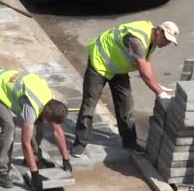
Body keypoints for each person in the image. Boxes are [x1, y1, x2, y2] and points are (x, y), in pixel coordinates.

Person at [71, 21, 179, 157]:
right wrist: (160, 93)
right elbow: (143, 71)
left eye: (170, 41)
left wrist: (157, 85)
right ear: (159, 31)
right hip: (99, 63)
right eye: (167, 39)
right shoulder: (137, 40)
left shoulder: (151, 40)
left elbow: (147, 63)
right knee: (89, 104)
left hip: (117, 69)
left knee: (126, 104)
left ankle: (130, 143)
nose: (167, 43)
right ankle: (80, 143)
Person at [0, 69, 73, 191]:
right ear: (48, 113)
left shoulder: (50, 100)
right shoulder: (32, 108)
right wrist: (34, 174)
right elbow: (25, 143)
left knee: (39, 123)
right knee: (9, 128)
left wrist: (66, 160)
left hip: (7, 81)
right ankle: (1, 172)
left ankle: (33, 158)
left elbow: (58, 131)